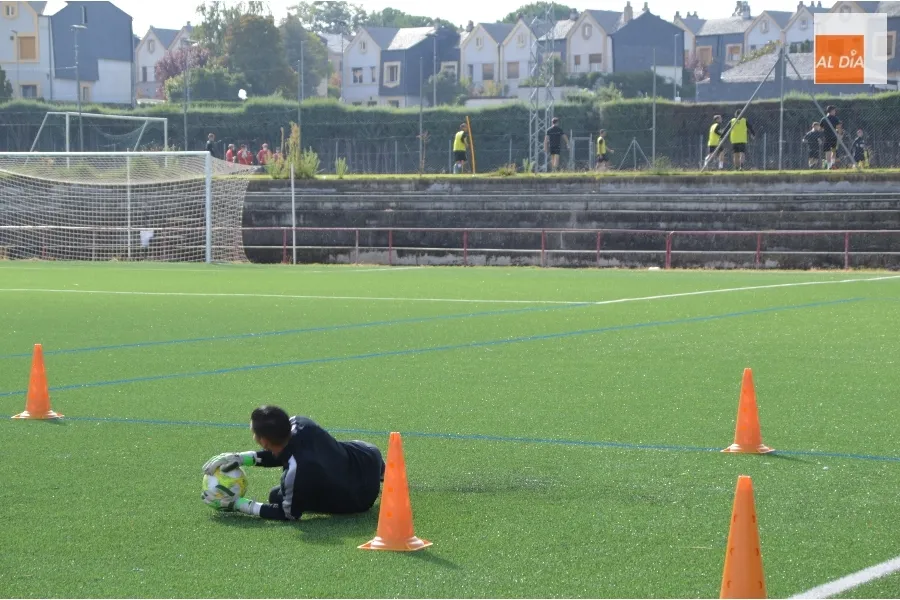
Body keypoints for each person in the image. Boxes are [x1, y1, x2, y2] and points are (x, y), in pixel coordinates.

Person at [201, 406, 385, 521]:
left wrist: (239, 504)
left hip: (359, 500)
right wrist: (241, 458)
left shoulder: (296, 471)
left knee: (276, 496)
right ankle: (385, 472)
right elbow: (284, 451)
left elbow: (288, 514)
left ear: (263, 441)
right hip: (369, 458)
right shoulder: (301, 422)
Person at [819, 105, 842, 170]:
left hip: (826, 137)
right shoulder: (835, 118)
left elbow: (820, 129)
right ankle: (832, 164)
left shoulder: (823, 119)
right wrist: (839, 134)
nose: (835, 112)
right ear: (831, 111)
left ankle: (829, 166)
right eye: (834, 110)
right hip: (834, 137)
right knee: (833, 151)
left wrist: (825, 130)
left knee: (827, 151)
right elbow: (839, 128)